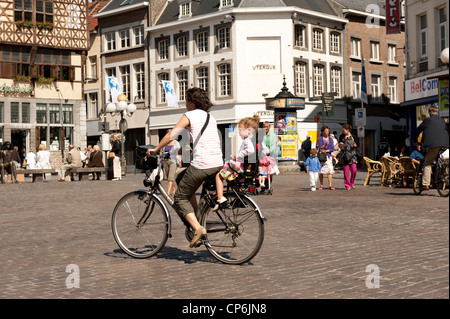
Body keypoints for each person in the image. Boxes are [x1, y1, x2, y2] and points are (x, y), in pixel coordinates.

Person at [147, 88, 223, 248]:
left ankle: (197, 228)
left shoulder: (190, 115)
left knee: (180, 197)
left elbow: (171, 135)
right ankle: (195, 217)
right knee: (181, 178)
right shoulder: (210, 116)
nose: (185, 104)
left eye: (186, 101)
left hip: (203, 164)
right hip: (217, 162)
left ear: (192, 102)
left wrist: (156, 149)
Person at [214, 115, 260, 211]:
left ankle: (220, 198)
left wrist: (237, 156)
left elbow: (250, 151)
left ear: (249, 131)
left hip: (240, 167)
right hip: (246, 168)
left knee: (219, 176)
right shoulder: (254, 140)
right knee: (231, 179)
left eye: (240, 130)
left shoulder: (247, 141)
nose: (239, 133)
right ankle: (237, 199)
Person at [414, 105, 449, 190]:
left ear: (429, 113)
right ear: (437, 113)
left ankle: (426, 184)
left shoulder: (427, 120)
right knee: (439, 162)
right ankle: (440, 175)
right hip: (445, 144)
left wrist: (416, 141)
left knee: (427, 163)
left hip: (433, 145)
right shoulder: (442, 120)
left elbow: (418, 130)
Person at [339, 124, 359, 190]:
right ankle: (347, 185)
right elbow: (339, 145)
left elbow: (357, 144)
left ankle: (352, 182)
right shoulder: (341, 136)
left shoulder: (354, 136)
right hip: (345, 155)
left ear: (348, 130)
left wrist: (355, 145)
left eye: (344, 130)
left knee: (354, 170)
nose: (343, 132)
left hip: (352, 155)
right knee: (346, 171)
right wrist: (340, 144)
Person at [162, 129, 181, 196]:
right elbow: (162, 151)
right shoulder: (165, 143)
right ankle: (174, 190)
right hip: (165, 161)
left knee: (170, 177)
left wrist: (180, 161)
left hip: (173, 161)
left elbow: (178, 152)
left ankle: (168, 192)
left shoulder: (176, 143)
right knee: (170, 178)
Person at [317, 125, 335, 190]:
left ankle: (330, 185)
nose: (327, 132)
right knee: (321, 171)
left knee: (329, 171)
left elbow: (332, 148)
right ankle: (321, 185)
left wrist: (327, 150)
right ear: (323, 132)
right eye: (326, 131)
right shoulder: (320, 138)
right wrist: (325, 145)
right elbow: (319, 148)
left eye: (328, 131)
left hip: (328, 156)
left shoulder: (331, 139)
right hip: (322, 157)